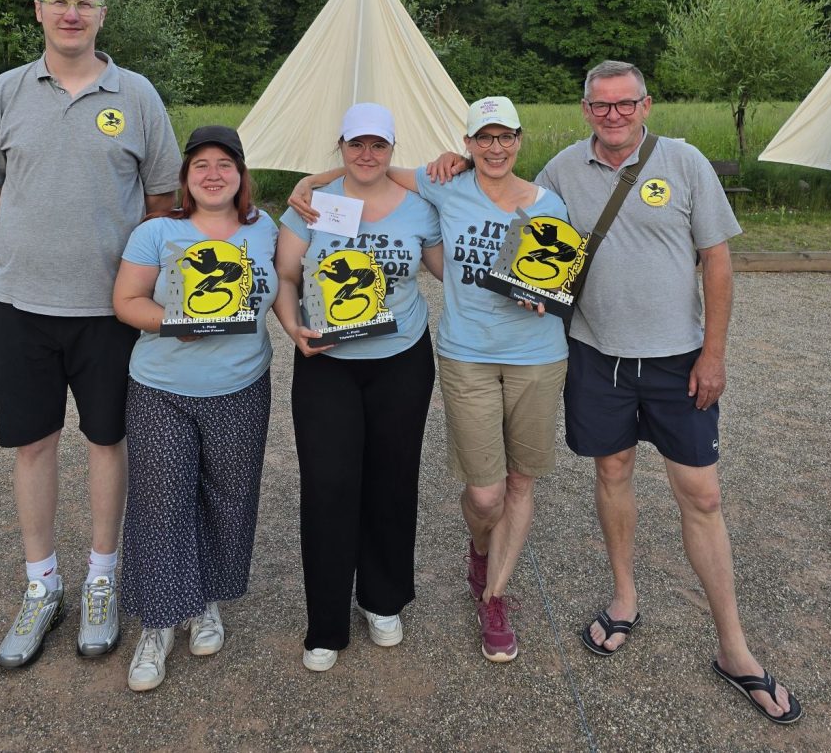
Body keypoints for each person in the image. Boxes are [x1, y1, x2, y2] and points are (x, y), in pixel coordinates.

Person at [534, 60, 802, 724]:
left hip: (679, 358)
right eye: (602, 105)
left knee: (702, 493)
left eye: (626, 104)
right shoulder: (562, 170)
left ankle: (733, 647)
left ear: (646, 105)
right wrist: (449, 167)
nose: (614, 115)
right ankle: (625, 596)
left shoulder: (683, 163)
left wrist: (714, 351)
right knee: (613, 469)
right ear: (585, 108)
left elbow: (717, 256)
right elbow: (517, 216)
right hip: (597, 356)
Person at [0, 0, 181, 669]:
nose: (72, 13)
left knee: (109, 440)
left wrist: (115, 265)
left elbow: (162, 200)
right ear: (40, 11)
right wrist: (32, 238)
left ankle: (102, 579)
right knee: (34, 445)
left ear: (101, 15)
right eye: (60, 2)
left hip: (109, 312)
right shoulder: (7, 92)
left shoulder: (137, 95)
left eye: (84, 2)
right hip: (20, 306)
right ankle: (42, 585)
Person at [291, 97, 569, 663]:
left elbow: (465, 267)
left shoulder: (520, 200)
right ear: (466, 144)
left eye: (505, 136)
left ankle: (427, 597)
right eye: (483, 137)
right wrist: (312, 179)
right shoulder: (347, 201)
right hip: (365, 357)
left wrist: (543, 292)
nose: (495, 146)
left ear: (519, 139)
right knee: (342, 486)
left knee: (413, 482)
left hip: (451, 355)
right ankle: (330, 619)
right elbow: (294, 261)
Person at [276, 103, 443, 672]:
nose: (366, 155)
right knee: (328, 485)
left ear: (393, 150)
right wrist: (291, 326)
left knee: (392, 479)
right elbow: (287, 275)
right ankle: (325, 621)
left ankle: (382, 598)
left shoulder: (420, 208)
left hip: (401, 357)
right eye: (356, 145)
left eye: (378, 145)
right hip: (327, 361)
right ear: (341, 147)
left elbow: (452, 269)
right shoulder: (314, 205)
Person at [112, 126, 277, 691]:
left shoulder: (265, 229)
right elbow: (126, 302)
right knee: (161, 501)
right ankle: (157, 624)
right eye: (200, 164)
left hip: (242, 386)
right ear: (185, 178)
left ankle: (205, 600)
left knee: (227, 498)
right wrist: (174, 323)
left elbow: (283, 290)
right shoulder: (158, 231)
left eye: (225, 164)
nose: (213, 174)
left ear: (241, 175)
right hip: (162, 388)